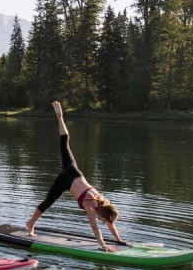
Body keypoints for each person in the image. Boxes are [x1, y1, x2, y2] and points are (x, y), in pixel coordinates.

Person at [25, 102, 125, 251]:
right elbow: (95, 228)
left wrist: (119, 240)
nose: (104, 223)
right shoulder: (90, 205)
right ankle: (30, 224)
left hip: (74, 171)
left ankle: (60, 116)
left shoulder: (104, 202)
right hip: (65, 179)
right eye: (103, 221)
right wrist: (103, 245)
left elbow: (110, 221)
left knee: (65, 144)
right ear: (102, 215)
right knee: (48, 201)